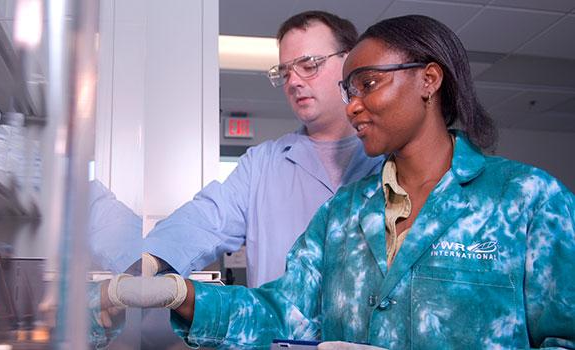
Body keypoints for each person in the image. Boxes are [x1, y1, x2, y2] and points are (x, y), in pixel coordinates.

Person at [107, 14, 575, 349]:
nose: (352, 104)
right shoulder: (342, 210)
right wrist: (180, 293)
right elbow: (282, 310)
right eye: (350, 91)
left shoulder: (527, 201)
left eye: (367, 84)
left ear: (429, 80)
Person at [135, 10, 383, 288]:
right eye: (286, 72)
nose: (294, 82)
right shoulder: (262, 164)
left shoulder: (391, 157)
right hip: (277, 329)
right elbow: (208, 218)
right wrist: (147, 258)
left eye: (309, 65)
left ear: (350, 62)